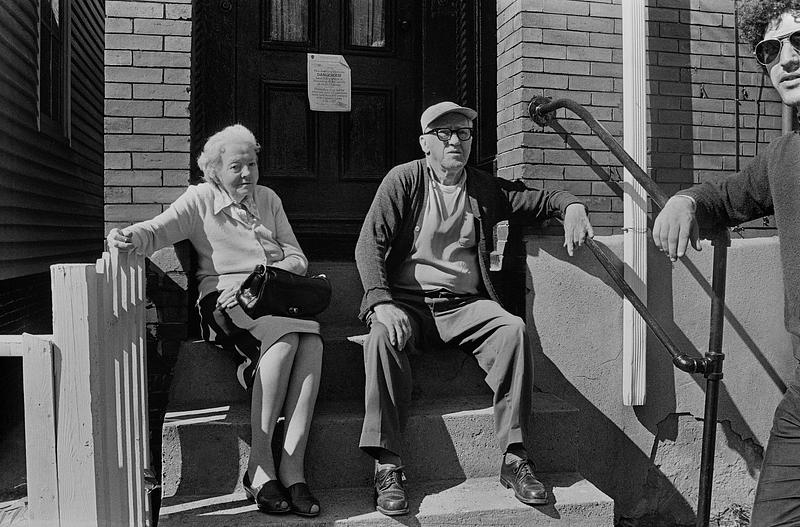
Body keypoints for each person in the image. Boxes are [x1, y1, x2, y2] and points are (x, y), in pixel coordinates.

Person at [355, 101, 594, 515]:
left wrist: (572, 206)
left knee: (511, 329)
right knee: (380, 338)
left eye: (463, 134)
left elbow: (539, 199)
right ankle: (387, 463)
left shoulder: (483, 188)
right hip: (409, 304)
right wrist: (379, 301)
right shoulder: (405, 180)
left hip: (464, 305)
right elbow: (369, 243)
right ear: (424, 143)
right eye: (444, 134)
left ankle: (516, 458)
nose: (455, 141)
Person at [106, 124, 323, 517]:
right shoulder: (200, 199)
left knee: (313, 343)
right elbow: (158, 230)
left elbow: (298, 258)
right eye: (237, 166)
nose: (247, 174)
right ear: (214, 171)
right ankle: (260, 466)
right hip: (222, 301)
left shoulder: (268, 199)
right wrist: (127, 236)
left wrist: (264, 273)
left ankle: (293, 468)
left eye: (252, 165)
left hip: (271, 297)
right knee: (289, 339)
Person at [652, 2, 800, 524]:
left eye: (798, 41)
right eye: (770, 49)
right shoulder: (786, 155)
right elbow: (732, 195)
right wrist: (688, 201)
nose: (785, 59)